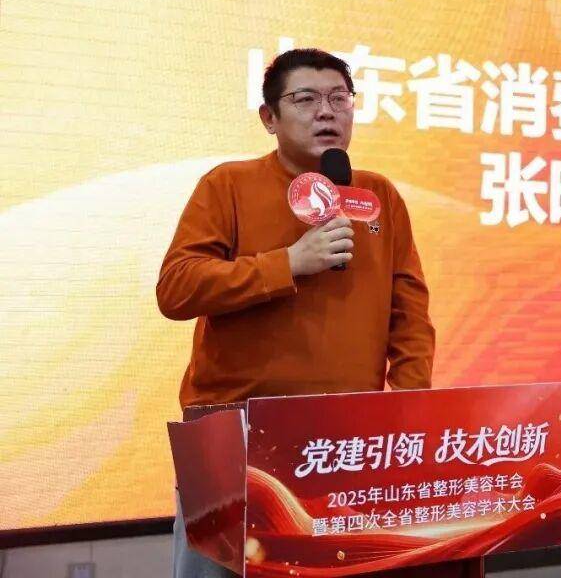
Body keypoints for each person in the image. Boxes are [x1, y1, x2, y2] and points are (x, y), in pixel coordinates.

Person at [158, 48, 481, 578]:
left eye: (339, 98)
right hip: (234, 438)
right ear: (269, 117)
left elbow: (409, 313)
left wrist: (407, 404)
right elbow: (176, 288)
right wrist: (286, 263)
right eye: (306, 99)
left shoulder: (378, 195)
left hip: (342, 443)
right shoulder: (228, 185)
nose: (327, 112)